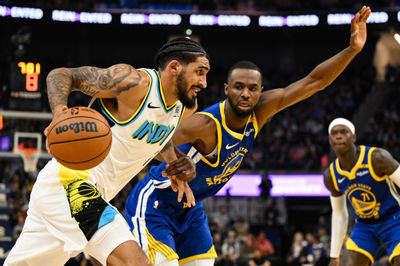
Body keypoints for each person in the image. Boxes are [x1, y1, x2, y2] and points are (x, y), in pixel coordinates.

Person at [125, 6, 371, 266]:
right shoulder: (206, 124)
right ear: (226, 89)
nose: (245, 94)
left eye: (252, 89)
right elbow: (154, 137)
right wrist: (177, 162)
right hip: (157, 201)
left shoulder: (261, 111)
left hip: (190, 207)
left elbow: (314, 81)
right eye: (239, 87)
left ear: (260, 91)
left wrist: (352, 50)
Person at [5, 37, 210, 266]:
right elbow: (61, 75)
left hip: (71, 191)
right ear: (174, 67)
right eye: (199, 72)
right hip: (72, 184)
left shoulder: (186, 107)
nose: (204, 82)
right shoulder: (133, 82)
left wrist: (175, 164)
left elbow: (155, 138)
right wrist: (59, 114)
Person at [323, 117, 400, 266]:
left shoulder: (377, 158)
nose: (338, 136)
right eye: (334, 133)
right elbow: (339, 214)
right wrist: (334, 255)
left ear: (353, 137)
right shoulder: (330, 175)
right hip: (365, 226)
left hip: (394, 219)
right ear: (330, 140)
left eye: (343, 132)